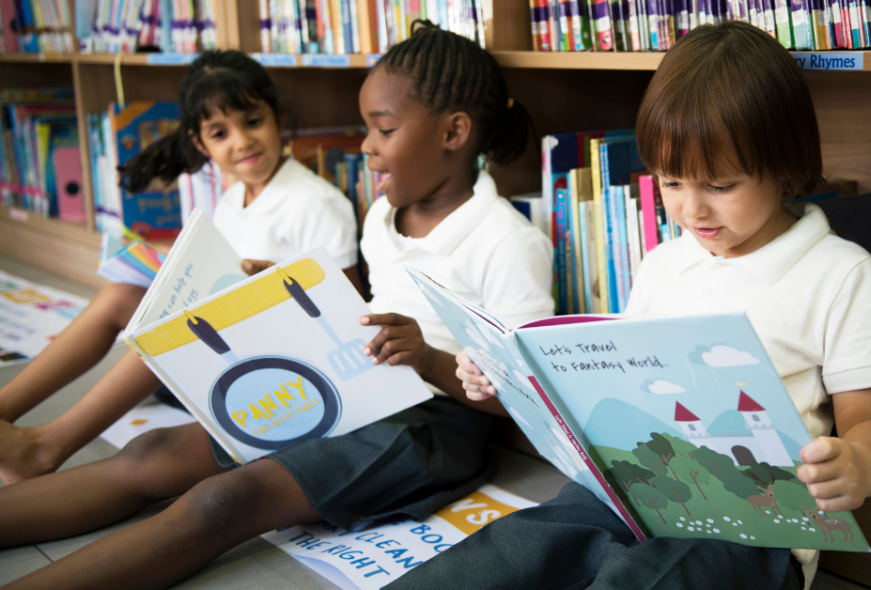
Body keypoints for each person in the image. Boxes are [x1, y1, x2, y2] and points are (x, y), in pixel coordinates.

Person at [0, 23, 553, 590]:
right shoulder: (383, 219)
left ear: (454, 132)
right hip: (354, 384)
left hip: (428, 427)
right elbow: (374, 313)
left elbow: (530, 400)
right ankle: (39, 456)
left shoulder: (510, 242)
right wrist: (292, 299)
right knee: (153, 453)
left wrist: (430, 361)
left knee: (222, 501)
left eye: (382, 129)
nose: (365, 146)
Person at [393, 21, 871, 590]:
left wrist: (857, 464)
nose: (693, 211)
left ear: (785, 165)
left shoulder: (840, 273)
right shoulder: (665, 261)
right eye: (671, 183)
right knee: (507, 553)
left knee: (649, 579)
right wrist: (506, 375)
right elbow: (613, 388)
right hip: (631, 490)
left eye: (720, 185)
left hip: (749, 530)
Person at [0, 49, 361, 485]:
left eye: (252, 121)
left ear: (277, 117)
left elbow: (349, 315)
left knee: (180, 325)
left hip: (277, 366)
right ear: (200, 143)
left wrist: (275, 286)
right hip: (222, 348)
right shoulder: (231, 201)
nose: (241, 142)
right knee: (123, 294)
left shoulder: (317, 203)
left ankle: (44, 448)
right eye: (220, 133)